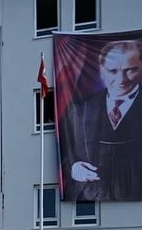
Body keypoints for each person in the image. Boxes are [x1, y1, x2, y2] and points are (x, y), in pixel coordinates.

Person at [61, 39, 142, 201]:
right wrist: (74, 167)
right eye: (113, 71)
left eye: (130, 70)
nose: (121, 80)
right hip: (91, 200)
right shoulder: (80, 110)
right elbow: (63, 147)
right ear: (101, 70)